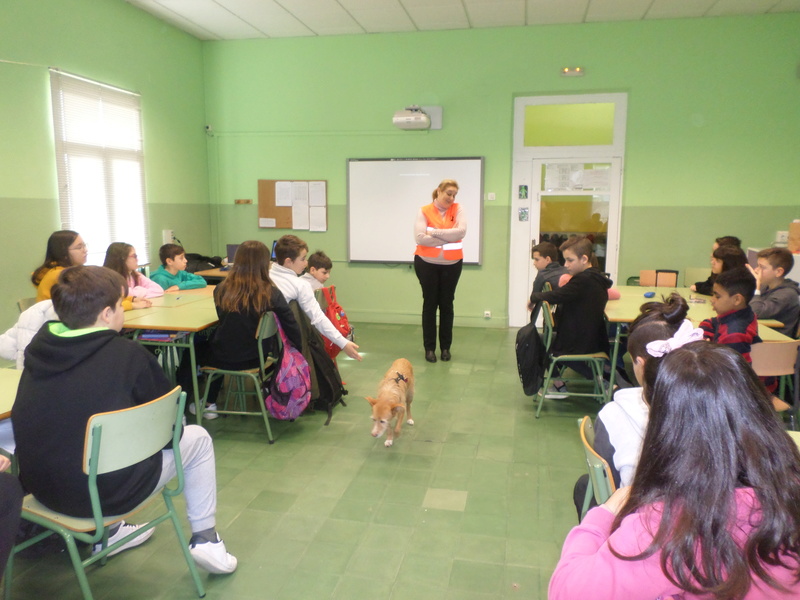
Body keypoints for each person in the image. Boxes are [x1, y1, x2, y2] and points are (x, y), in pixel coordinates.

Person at [12, 266, 237, 573]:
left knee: (78, 438)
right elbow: (172, 426)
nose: (123, 312)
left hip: (41, 492)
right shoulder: (129, 354)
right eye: (121, 305)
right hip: (104, 496)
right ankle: (206, 539)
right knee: (197, 439)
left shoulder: (39, 350)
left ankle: (112, 534)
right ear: (106, 314)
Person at [550, 342, 800, 600]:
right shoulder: (789, 494)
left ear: (667, 427)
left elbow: (567, 591)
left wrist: (600, 516)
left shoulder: (667, 526)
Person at [572, 293, 701, 517]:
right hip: (706, 522)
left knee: (584, 486)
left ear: (640, 364)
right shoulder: (720, 403)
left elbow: (610, 485)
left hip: (638, 524)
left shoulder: (615, 413)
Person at [187, 240, 303, 416]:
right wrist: (298, 349)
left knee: (194, 349)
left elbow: (224, 321)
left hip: (224, 357)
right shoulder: (271, 292)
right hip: (259, 357)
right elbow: (290, 324)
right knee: (218, 345)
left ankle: (207, 403)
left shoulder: (221, 289)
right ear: (265, 264)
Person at [529, 236, 611, 395]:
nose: (565, 265)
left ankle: (598, 380)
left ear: (584, 259)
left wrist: (534, 297)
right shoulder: (595, 277)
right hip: (591, 337)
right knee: (543, 342)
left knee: (539, 345)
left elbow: (558, 295)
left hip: (579, 342)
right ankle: (594, 379)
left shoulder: (583, 280)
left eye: (569, 260)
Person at [270, 235, 362, 361]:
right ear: (288, 261)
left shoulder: (263, 276)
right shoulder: (300, 285)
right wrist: (343, 342)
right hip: (283, 347)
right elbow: (317, 317)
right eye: (303, 259)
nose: (306, 263)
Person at [414, 179, 467, 363]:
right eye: (449, 193)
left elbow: (461, 233)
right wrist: (448, 236)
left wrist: (434, 232)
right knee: (430, 304)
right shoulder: (424, 210)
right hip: (426, 263)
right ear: (439, 191)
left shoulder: (458, 209)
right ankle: (429, 349)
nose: (452, 198)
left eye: (454, 195)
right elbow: (420, 238)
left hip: (452, 265)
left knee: (447, 305)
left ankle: (445, 348)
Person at [699, 266, 761, 363]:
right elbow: (711, 322)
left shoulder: (734, 335)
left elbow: (731, 373)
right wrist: (705, 337)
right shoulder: (741, 314)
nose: (712, 300)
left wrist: (706, 348)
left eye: (717, 296)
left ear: (737, 300)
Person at [747, 247, 800, 338]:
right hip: (762, 336)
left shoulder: (787, 294)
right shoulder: (765, 287)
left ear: (778, 272)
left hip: (776, 343)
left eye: (762, 267)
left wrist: (757, 288)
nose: (756, 270)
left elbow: (755, 312)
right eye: (758, 265)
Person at [31, 230, 88, 301]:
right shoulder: (59, 274)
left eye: (84, 245)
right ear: (63, 252)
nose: (85, 250)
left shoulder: (65, 270)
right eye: (79, 247)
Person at [528, 241, 567, 323]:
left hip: (557, 318)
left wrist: (530, 303)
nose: (534, 263)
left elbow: (535, 295)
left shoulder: (543, 275)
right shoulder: (566, 271)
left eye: (536, 260)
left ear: (548, 259)